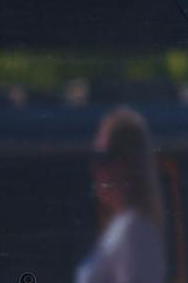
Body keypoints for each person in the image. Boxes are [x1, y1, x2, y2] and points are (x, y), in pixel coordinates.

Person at [77, 106, 168, 283]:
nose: (94, 168)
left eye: (103, 158)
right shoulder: (124, 228)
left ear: (128, 162)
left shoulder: (134, 229)